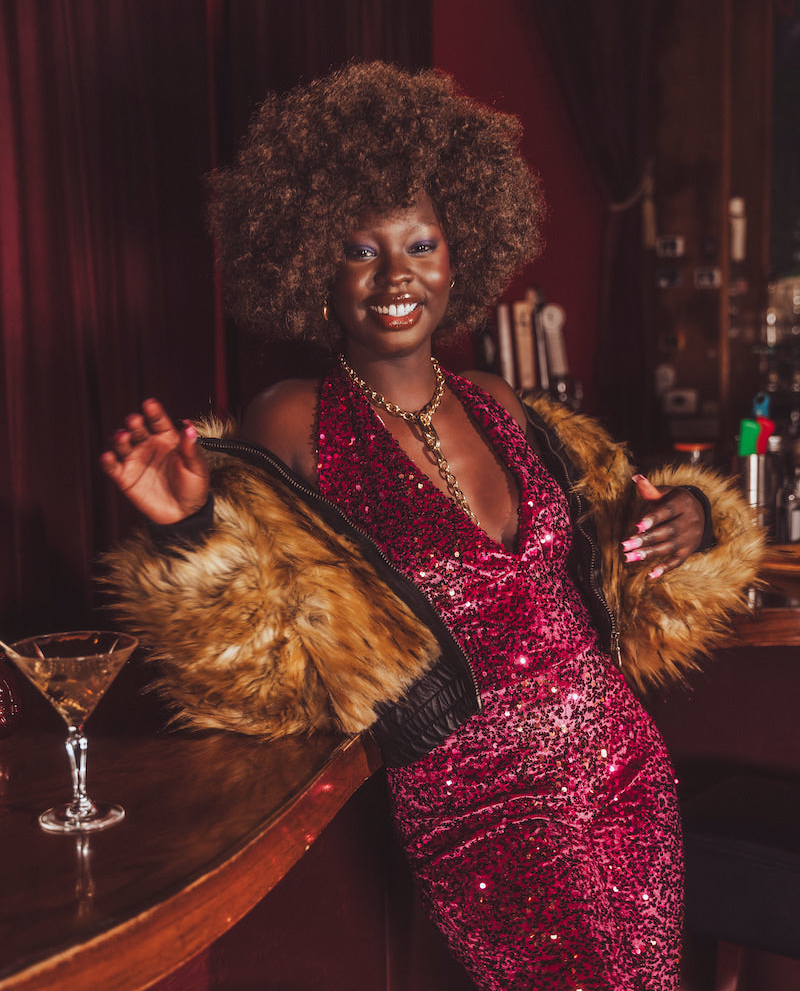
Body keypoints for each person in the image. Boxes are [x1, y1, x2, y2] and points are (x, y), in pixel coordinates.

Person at [101, 61, 763, 991]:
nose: (395, 275)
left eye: (421, 243)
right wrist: (187, 531)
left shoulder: (502, 404)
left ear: (461, 253)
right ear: (310, 266)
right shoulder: (292, 421)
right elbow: (258, 658)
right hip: (477, 806)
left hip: (621, 766)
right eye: (361, 249)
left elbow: (628, 550)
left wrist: (694, 519)